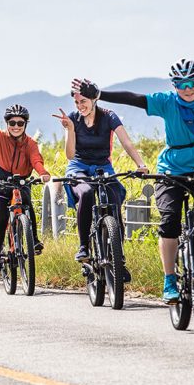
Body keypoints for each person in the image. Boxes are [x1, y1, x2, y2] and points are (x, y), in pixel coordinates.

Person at [72, 58, 194, 304]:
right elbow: (135, 99)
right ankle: (169, 280)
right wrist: (99, 94)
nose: (187, 88)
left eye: (192, 83)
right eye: (181, 84)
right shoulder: (167, 102)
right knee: (169, 222)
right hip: (171, 169)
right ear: (174, 85)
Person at [52, 88, 149, 264]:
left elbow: (126, 142)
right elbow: (70, 155)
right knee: (86, 192)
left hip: (103, 166)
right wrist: (70, 129)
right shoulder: (72, 118)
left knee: (114, 199)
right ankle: (83, 247)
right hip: (78, 167)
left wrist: (140, 164)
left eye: (83, 101)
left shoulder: (109, 116)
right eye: (77, 102)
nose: (80, 106)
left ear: (93, 100)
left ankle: (119, 258)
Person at [0, 88, 50, 274]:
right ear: (7, 123)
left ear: (25, 124)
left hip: (20, 183)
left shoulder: (30, 143)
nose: (16, 126)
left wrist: (43, 172)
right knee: (0, 219)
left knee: (28, 206)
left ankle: (34, 239)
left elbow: (36, 159)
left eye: (20, 123)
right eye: (12, 122)